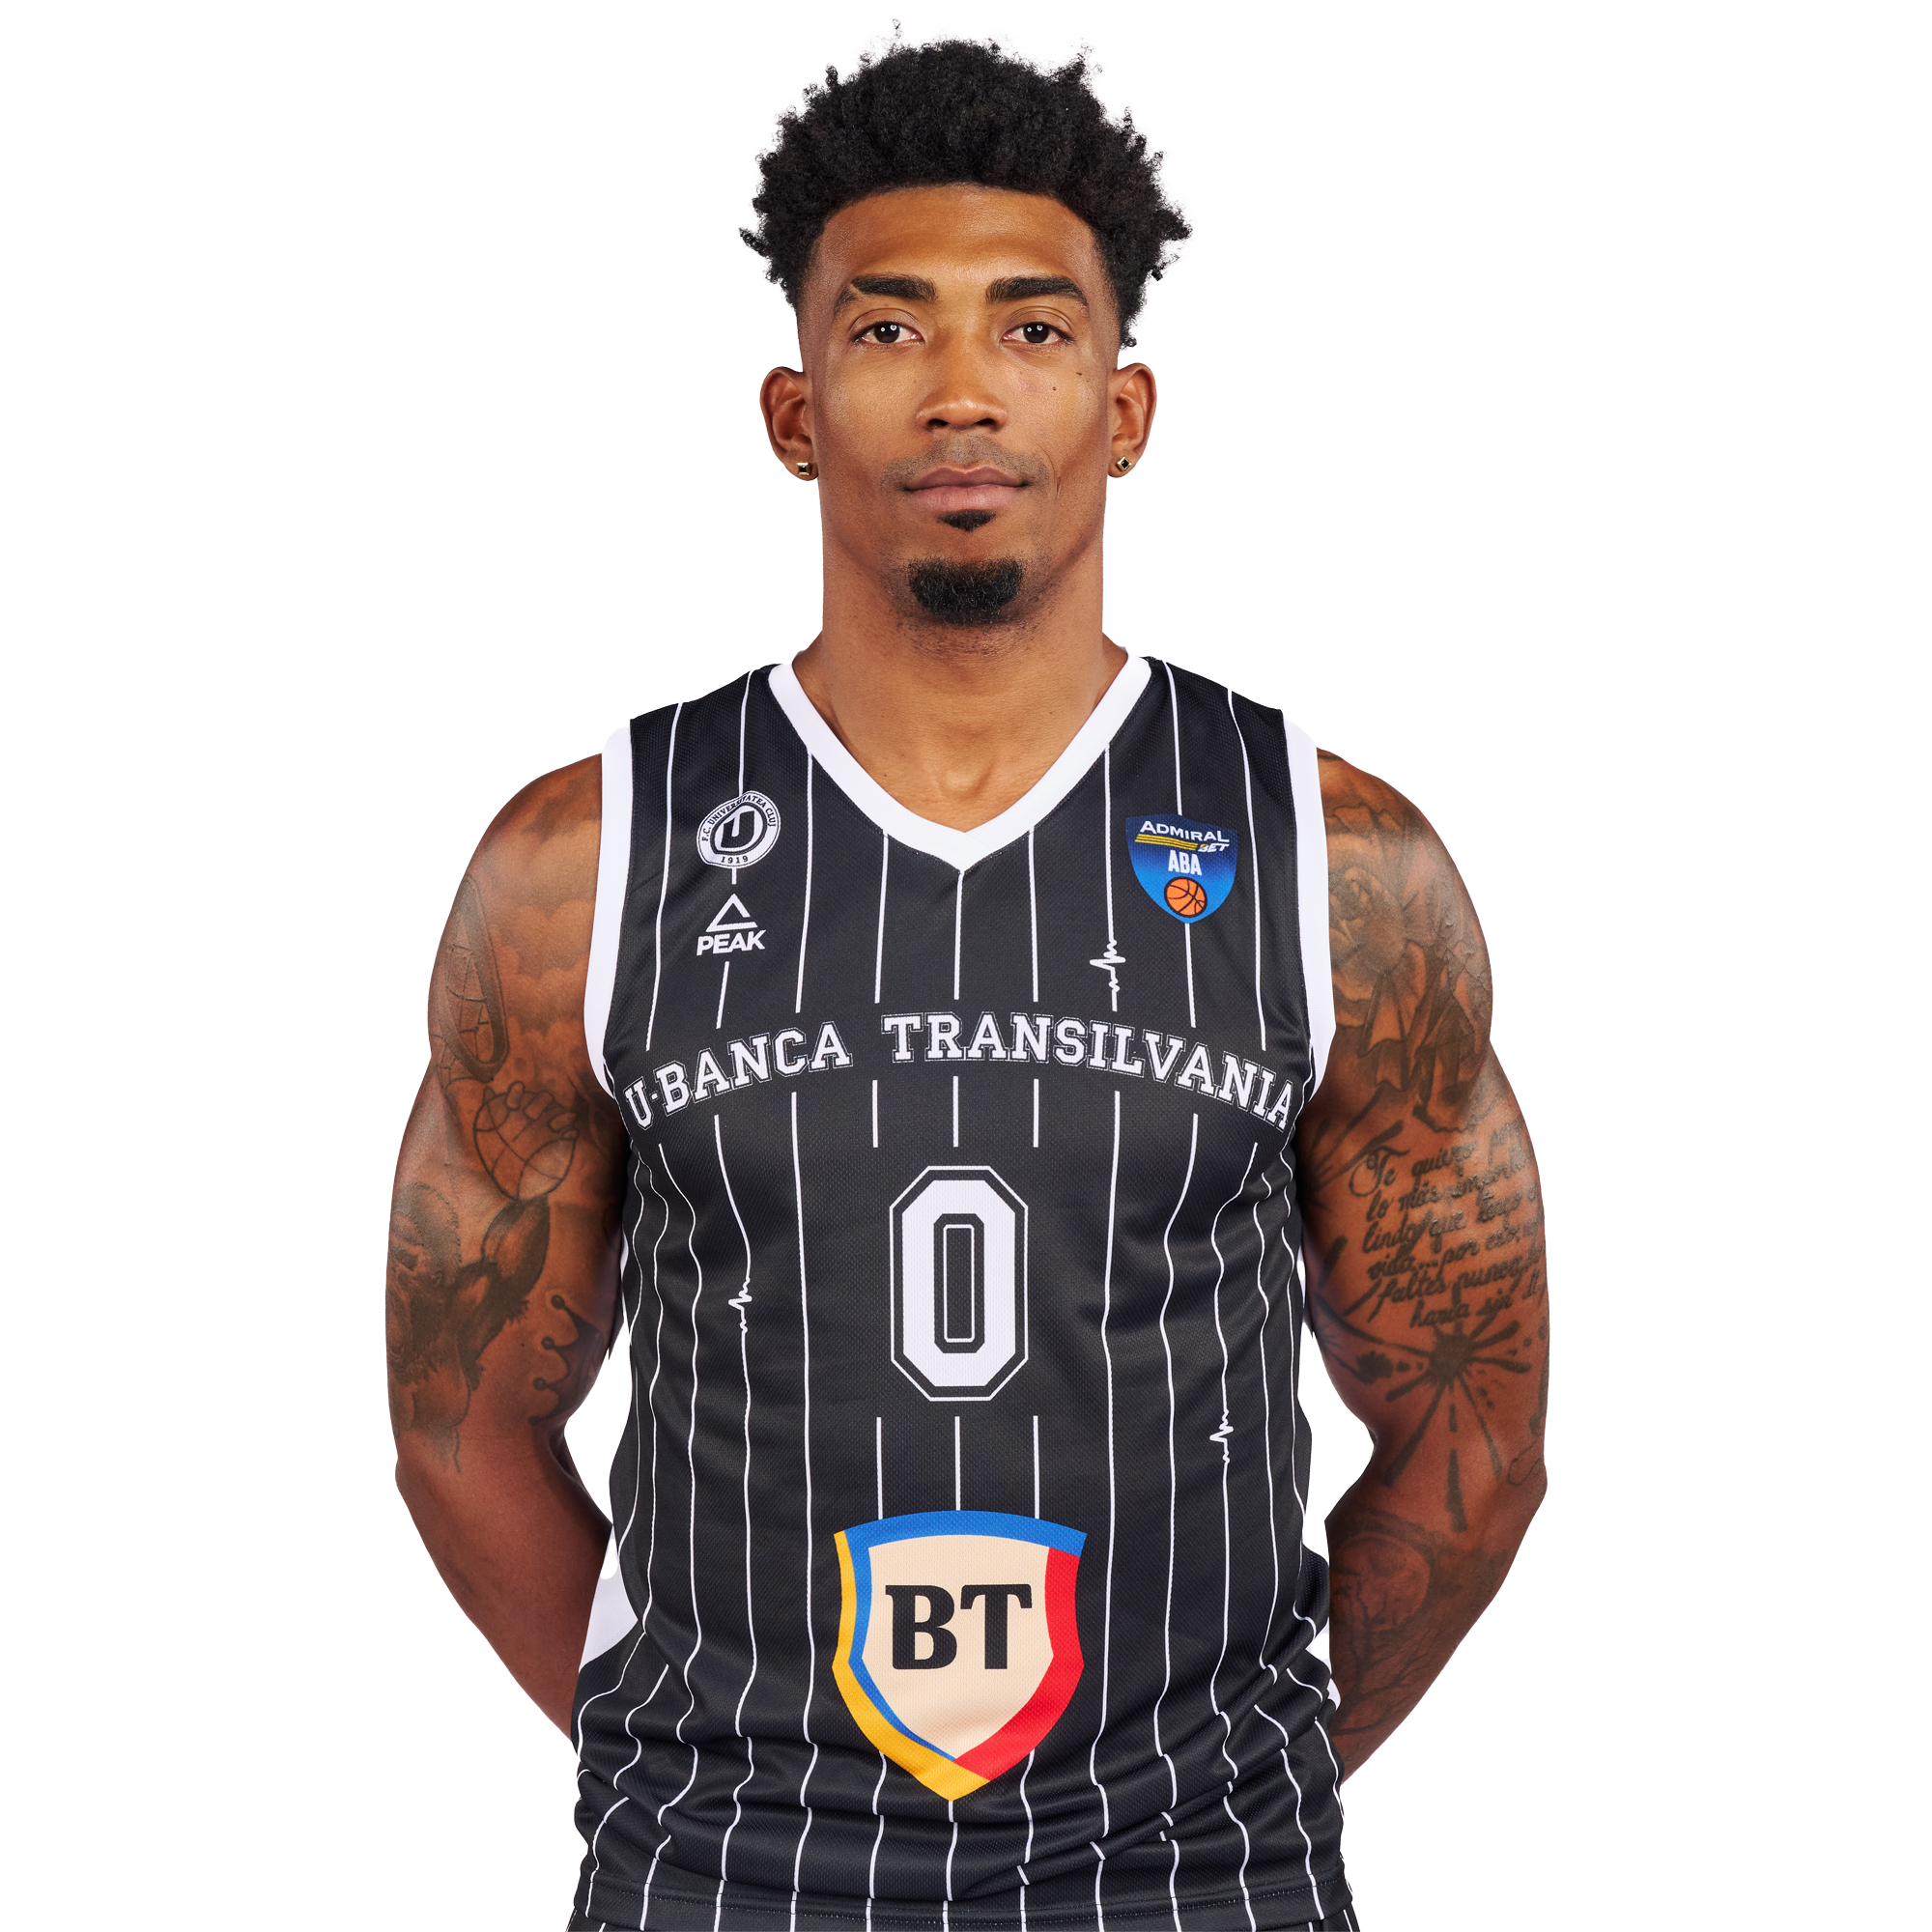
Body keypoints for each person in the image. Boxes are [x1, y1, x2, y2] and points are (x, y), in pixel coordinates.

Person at [388, 32, 1547, 1932]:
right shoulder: (585, 863)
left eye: (1030, 327)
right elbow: (457, 1418)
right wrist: (680, 1761)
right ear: (792, 409)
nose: (960, 389)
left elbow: (1472, 1441)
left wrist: (1231, 1785)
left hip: (1200, 1883)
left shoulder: (1336, 861)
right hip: (727, 1880)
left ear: (1124, 405)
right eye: (886, 326)